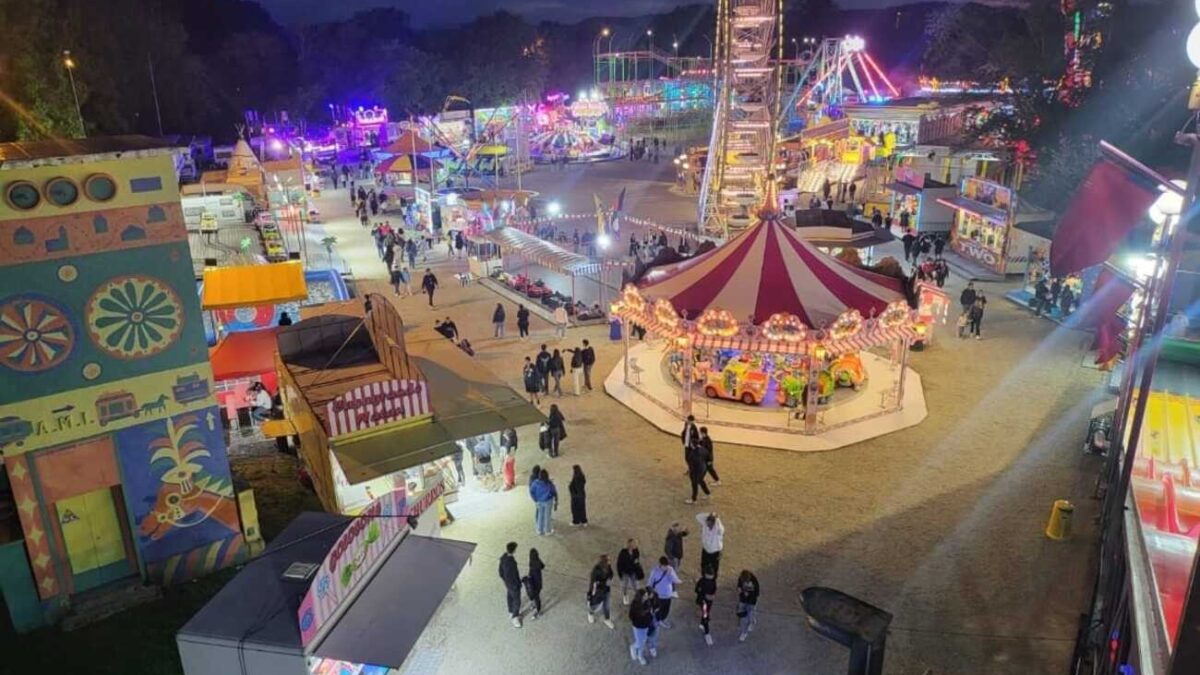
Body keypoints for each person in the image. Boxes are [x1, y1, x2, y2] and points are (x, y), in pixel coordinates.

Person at [648, 556, 681, 628]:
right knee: (659, 609)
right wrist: (650, 592)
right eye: (664, 566)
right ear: (660, 564)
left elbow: (675, 579)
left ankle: (662, 619)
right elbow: (650, 583)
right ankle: (658, 620)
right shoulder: (655, 572)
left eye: (667, 566)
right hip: (659, 595)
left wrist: (674, 578)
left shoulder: (670, 569)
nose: (666, 568)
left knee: (666, 609)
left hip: (668, 595)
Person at [586, 554, 616, 629]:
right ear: (604, 562)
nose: (610, 561)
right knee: (595, 605)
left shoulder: (608, 567)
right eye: (608, 560)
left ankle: (607, 619)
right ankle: (590, 613)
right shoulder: (596, 571)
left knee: (607, 605)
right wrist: (591, 593)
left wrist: (610, 579)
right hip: (598, 591)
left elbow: (611, 573)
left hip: (606, 589)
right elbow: (592, 583)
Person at [499, 542, 523, 627]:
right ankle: (515, 616)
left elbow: (500, 572)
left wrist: (505, 581)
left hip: (508, 584)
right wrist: (518, 584)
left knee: (509, 596)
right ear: (514, 550)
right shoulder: (511, 563)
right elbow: (514, 575)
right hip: (514, 585)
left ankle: (510, 611)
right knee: (517, 601)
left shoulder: (503, 557)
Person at [695, 512, 724, 579]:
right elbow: (698, 516)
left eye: (710, 524)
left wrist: (717, 518)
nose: (708, 525)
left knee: (714, 566)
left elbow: (720, 528)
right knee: (703, 564)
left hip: (715, 551)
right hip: (705, 549)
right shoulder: (705, 525)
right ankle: (703, 577)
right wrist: (709, 514)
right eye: (707, 523)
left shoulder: (718, 530)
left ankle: (713, 579)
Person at [529, 468, 557, 535]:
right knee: (547, 515)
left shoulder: (535, 483)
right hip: (548, 501)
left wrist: (535, 499)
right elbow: (553, 491)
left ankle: (539, 530)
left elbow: (531, 492)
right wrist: (555, 498)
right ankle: (547, 530)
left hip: (539, 501)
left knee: (540, 515)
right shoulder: (549, 483)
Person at [629, 589, 654, 665]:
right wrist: (641, 615)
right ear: (640, 597)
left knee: (642, 641)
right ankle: (636, 651)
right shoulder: (634, 604)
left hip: (646, 625)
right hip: (638, 626)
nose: (647, 596)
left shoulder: (648, 602)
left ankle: (639, 654)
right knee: (640, 642)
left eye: (647, 595)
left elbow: (650, 611)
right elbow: (631, 616)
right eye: (645, 595)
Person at [616, 538, 643, 605]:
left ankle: (638, 597)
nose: (635, 545)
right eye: (633, 544)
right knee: (625, 585)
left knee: (636, 586)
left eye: (635, 544)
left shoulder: (636, 551)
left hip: (633, 571)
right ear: (629, 545)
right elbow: (619, 563)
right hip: (625, 572)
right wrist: (620, 574)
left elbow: (637, 560)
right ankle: (625, 596)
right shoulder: (623, 552)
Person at [736, 569, 760, 642]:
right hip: (743, 600)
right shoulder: (741, 579)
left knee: (750, 615)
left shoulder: (754, 581)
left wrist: (749, 594)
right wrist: (741, 590)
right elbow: (739, 586)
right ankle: (744, 632)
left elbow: (757, 593)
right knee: (743, 617)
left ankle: (751, 622)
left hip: (751, 601)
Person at [695, 566, 717, 646]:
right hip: (703, 601)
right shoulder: (701, 581)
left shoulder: (713, 581)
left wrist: (713, 595)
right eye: (709, 575)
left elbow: (714, 588)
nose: (711, 577)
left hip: (709, 601)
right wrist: (705, 595)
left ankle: (702, 623)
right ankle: (707, 633)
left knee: (707, 612)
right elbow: (697, 590)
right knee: (705, 615)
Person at [524, 548, 545, 619]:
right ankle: (538, 610)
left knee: (532, 595)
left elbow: (530, 570)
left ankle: (534, 605)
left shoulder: (531, 561)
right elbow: (543, 566)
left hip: (532, 582)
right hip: (538, 583)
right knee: (537, 597)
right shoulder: (538, 562)